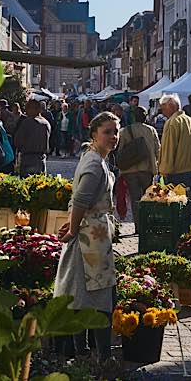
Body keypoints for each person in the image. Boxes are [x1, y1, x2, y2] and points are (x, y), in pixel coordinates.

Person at [54, 112, 120, 362]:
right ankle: (101, 357)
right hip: (90, 237)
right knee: (97, 297)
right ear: (94, 134)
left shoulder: (93, 157)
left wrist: (73, 225)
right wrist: (72, 228)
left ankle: (82, 352)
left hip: (91, 233)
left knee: (81, 295)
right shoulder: (94, 163)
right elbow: (81, 199)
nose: (113, 137)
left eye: (116, 131)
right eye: (107, 132)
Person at [158, 93, 191, 231]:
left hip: (175, 171)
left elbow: (168, 150)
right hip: (190, 170)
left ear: (171, 106)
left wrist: (164, 171)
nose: (162, 111)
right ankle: (190, 232)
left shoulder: (172, 123)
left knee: (176, 204)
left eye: (163, 108)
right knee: (189, 201)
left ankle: (178, 233)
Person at [117, 106, 160, 231]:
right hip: (147, 169)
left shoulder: (125, 131)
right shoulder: (151, 130)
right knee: (148, 198)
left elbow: (121, 152)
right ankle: (147, 225)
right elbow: (158, 150)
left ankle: (138, 226)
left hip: (130, 171)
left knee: (135, 199)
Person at [14, 99, 51, 176]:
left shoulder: (27, 122)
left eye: (27, 109)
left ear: (32, 109)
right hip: (41, 158)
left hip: (28, 158)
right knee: (40, 184)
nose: (26, 112)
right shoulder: (46, 123)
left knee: (26, 185)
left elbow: (17, 141)